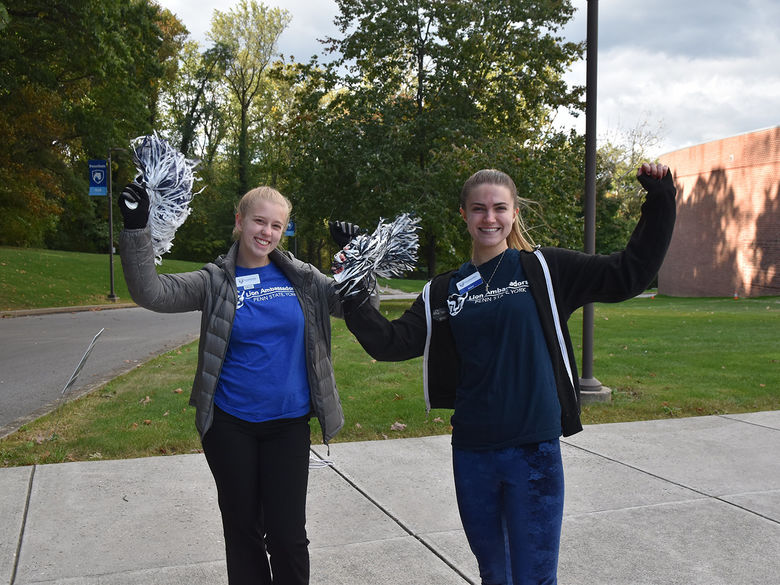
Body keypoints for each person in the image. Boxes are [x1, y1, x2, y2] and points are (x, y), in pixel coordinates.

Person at [338, 163, 676, 584]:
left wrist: (660, 199)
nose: (489, 218)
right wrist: (353, 274)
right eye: (479, 209)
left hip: (533, 452)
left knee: (533, 577)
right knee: (495, 575)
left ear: (514, 213)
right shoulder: (444, 290)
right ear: (463, 214)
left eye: (499, 208)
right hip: (473, 453)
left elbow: (628, 273)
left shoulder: (544, 270)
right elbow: (389, 343)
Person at [118, 182, 368, 585]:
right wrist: (135, 228)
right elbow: (152, 292)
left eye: (276, 225)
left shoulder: (304, 279)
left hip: (287, 425)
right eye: (258, 221)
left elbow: (359, 308)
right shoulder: (215, 281)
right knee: (243, 532)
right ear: (240, 221)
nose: (266, 232)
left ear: (283, 230)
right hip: (230, 425)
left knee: (288, 538)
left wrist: (357, 256)